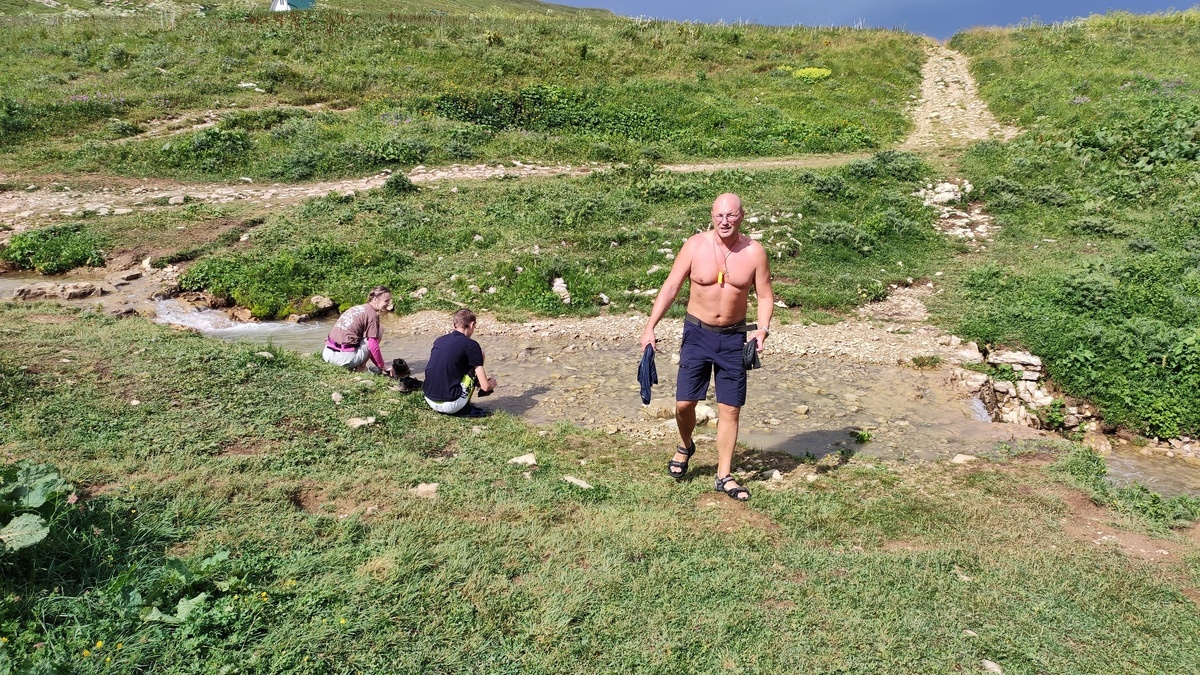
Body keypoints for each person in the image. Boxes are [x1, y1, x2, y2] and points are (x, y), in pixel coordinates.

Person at [639, 193, 774, 501]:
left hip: (733, 338)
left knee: (730, 408)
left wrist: (763, 329)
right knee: (684, 405)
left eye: (731, 215)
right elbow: (671, 285)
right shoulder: (695, 246)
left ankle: (723, 475)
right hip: (697, 334)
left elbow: (765, 295)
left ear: (742, 216)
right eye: (719, 216)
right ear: (712, 216)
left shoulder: (754, 252)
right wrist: (650, 327)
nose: (724, 221)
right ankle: (686, 444)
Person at [423, 308, 498, 416]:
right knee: (480, 356)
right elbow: (486, 387)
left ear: (454, 325)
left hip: (429, 398)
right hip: (451, 405)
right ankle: (465, 407)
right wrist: (491, 383)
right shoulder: (472, 345)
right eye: (475, 326)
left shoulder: (439, 340)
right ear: (471, 324)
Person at [322, 286, 395, 376]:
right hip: (341, 360)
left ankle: (357, 364)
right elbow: (373, 346)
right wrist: (383, 366)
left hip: (327, 354)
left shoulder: (356, 308)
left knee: (369, 335)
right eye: (386, 301)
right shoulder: (372, 315)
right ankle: (361, 368)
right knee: (379, 331)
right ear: (375, 299)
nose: (388, 304)